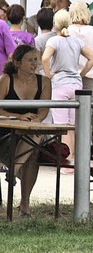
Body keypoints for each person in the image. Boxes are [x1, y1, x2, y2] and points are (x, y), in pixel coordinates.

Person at [0, 44, 52, 216]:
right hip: (6, 134)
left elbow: (43, 111)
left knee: (35, 142)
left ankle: (24, 200)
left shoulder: (44, 82)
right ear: (17, 62)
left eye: (36, 60)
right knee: (33, 145)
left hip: (30, 133)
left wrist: (35, 120)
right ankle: (14, 173)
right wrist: (18, 117)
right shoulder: (6, 80)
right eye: (30, 60)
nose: (34, 64)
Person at [41, 9, 93, 159]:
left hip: (60, 84)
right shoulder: (76, 41)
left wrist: (49, 74)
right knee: (74, 126)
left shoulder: (53, 40)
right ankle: (75, 159)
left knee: (63, 126)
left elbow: (45, 58)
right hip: (76, 85)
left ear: (55, 24)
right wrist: (81, 73)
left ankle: (66, 161)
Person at [68, 1, 93, 97]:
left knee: (70, 109)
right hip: (90, 76)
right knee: (88, 109)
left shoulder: (67, 30)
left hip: (70, 76)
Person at [34, 7, 56, 75]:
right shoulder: (57, 37)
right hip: (55, 73)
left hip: (42, 74)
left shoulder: (37, 40)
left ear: (38, 22)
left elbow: (36, 61)